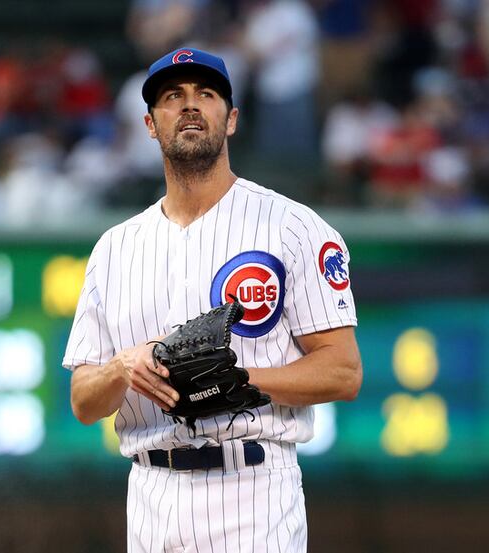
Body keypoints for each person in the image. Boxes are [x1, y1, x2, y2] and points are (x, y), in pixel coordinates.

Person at [63, 48, 362, 551]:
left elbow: (344, 371)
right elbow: (82, 400)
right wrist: (122, 368)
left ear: (232, 119)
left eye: (206, 94)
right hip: (151, 496)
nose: (190, 106)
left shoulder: (291, 227)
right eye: (173, 97)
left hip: (254, 488)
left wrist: (241, 382)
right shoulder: (114, 249)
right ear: (150, 125)